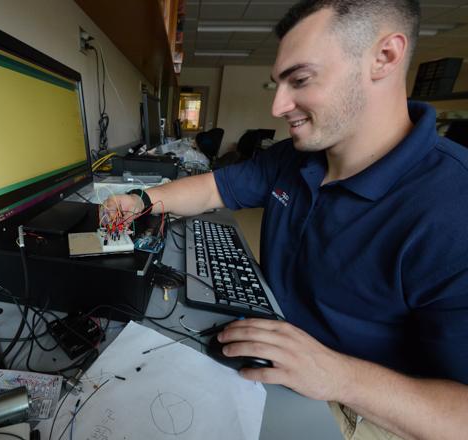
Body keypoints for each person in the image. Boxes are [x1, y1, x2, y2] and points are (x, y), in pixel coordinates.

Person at [103, 1, 468, 438]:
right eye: (279, 83)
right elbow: (214, 188)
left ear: (384, 57)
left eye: (300, 79)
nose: (277, 106)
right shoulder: (295, 157)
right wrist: (142, 198)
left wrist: (339, 375)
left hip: (362, 403)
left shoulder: (455, 204)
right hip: (272, 348)